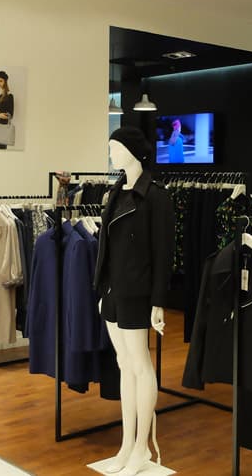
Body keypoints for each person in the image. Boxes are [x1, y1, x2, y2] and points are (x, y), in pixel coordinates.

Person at [93, 127, 175, 475]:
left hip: (138, 291)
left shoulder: (155, 197)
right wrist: (102, 289)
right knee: (124, 364)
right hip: (113, 290)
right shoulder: (116, 191)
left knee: (140, 365)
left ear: (132, 151)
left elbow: (164, 253)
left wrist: (158, 301)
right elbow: (107, 246)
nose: (112, 154)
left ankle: (142, 447)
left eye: (115, 148)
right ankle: (127, 444)